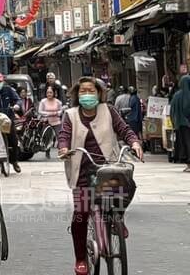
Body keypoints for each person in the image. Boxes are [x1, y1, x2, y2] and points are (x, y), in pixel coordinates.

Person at [58, 77, 143, 275]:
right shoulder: (70, 115)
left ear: (98, 93)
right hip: (82, 171)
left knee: (127, 186)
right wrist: (63, 148)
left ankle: (117, 218)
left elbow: (124, 129)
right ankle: (81, 258)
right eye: (83, 91)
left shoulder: (109, 111)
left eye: (91, 91)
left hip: (108, 167)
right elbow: (64, 135)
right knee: (80, 214)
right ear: (77, 94)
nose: (87, 94)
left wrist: (134, 142)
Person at [0, 73, 22, 174]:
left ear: (3, 82)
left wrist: (17, 106)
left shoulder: (8, 90)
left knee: (14, 140)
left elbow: (18, 100)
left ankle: (14, 161)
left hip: (8, 119)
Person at [171, 74, 190, 172]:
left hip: (181, 125)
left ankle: (188, 165)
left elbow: (172, 111)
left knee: (185, 143)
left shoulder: (176, 96)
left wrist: (174, 123)